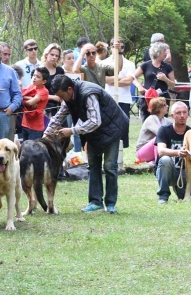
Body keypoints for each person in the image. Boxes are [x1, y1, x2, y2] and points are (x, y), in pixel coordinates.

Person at [45, 74, 128, 214]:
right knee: (93, 166)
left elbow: (95, 121)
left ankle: (111, 204)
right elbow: (59, 116)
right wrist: (46, 134)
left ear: (69, 89)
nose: (61, 99)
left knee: (110, 167)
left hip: (113, 128)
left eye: (61, 95)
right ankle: (95, 202)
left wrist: (71, 131)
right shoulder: (68, 98)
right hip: (93, 132)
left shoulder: (89, 93)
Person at [155, 102, 191, 204]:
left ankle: (182, 191)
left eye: (184, 112)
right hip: (168, 172)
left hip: (185, 173)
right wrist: (178, 152)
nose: (182, 116)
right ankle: (163, 196)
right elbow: (161, 151)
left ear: (188, 114)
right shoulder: (164, 130)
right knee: (165, 159)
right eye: (178, 113)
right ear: (172, 116)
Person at [133, 42, 175, 122]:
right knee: (147, 121)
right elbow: (133, 77)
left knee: (162, 122)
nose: (165, 53)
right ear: (158, 52)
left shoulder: (168, 66)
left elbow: (173, 84)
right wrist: (139, 86)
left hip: (162, 98)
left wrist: (165, 79)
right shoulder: (145, 65)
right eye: (164, 51)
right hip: (148, 98)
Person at [105, 38, 135, 149]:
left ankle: (121, 153)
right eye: (116, 47)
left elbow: (128, 81)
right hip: (109, 99)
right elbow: (105, 80)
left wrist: (113, 80)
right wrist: (120, 78)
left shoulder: (130, 64)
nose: (118, 49)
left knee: (123, 126)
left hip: (124, 100)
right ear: (111, 47)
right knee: (109, 127)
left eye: (121, 47)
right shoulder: (105, 63)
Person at [136, 97, 172, 164]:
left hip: (155, 150)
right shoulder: (150, 119)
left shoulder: (166, 120)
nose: (168, 106)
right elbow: (160, 133)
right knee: (159, 138)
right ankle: (158, 163)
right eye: (165, 105)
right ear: (159, 108)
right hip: (142, 151)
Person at [21, 67, 49, 141]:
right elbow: (22, 96)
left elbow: (29, 103)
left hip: (35, 126)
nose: (34, 78)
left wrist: (27, 99)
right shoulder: (31, 86)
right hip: (25, 123)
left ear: (44, 81)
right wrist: (30, 98)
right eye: (34, 75)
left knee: (33, 150)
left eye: (38, 77)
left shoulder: (44, 91)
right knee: (25, 147)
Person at [39, 44, 64, 117]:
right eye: (52, 54)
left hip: (59, 108)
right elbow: (35, 92)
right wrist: (52, 97)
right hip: (43, 108)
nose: (54, 57)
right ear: (46, 55)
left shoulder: (60, 70)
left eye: (56, 56)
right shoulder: (38, 71)